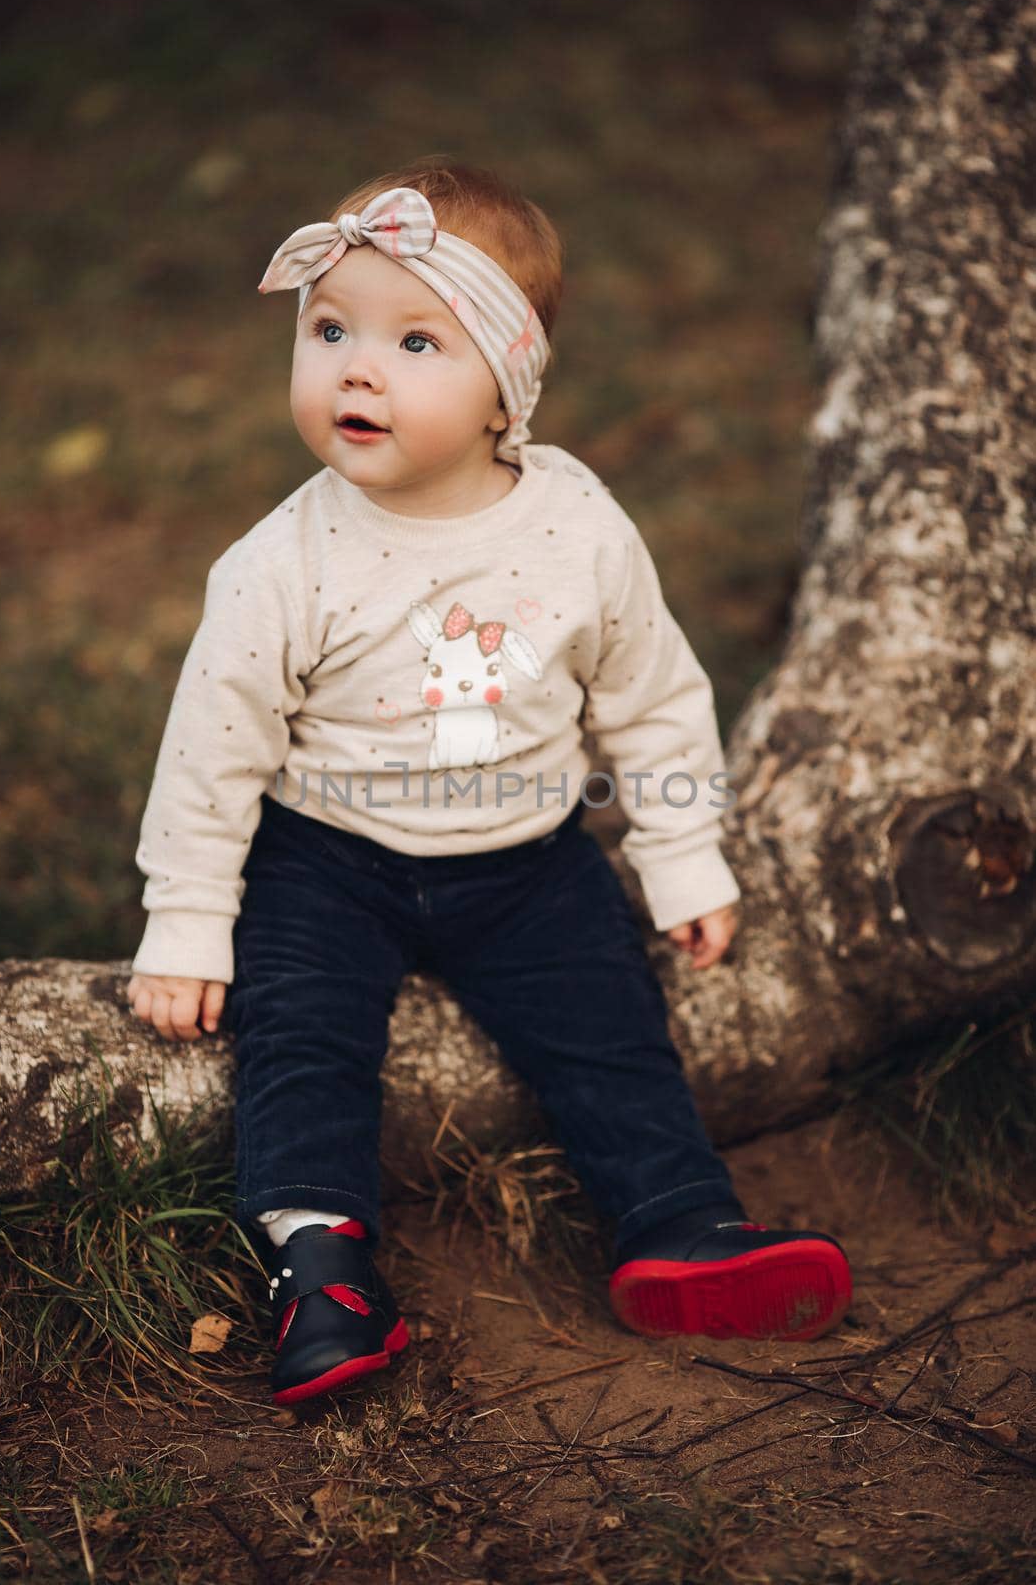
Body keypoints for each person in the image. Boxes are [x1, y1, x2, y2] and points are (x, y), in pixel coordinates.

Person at [126, 159, 851, 1407]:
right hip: (324, 858)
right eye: (329, 329)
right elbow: (213, 748)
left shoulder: (576, 528)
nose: (356, 366)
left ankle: (678, 1222)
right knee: (300, 1041)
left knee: (612, 1029)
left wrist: (681, 855)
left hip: (528, 862)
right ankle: (323, 1271)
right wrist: (188, 919)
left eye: (414, 339)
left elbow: (650, 696)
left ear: (506, 385)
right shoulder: (278, 561)